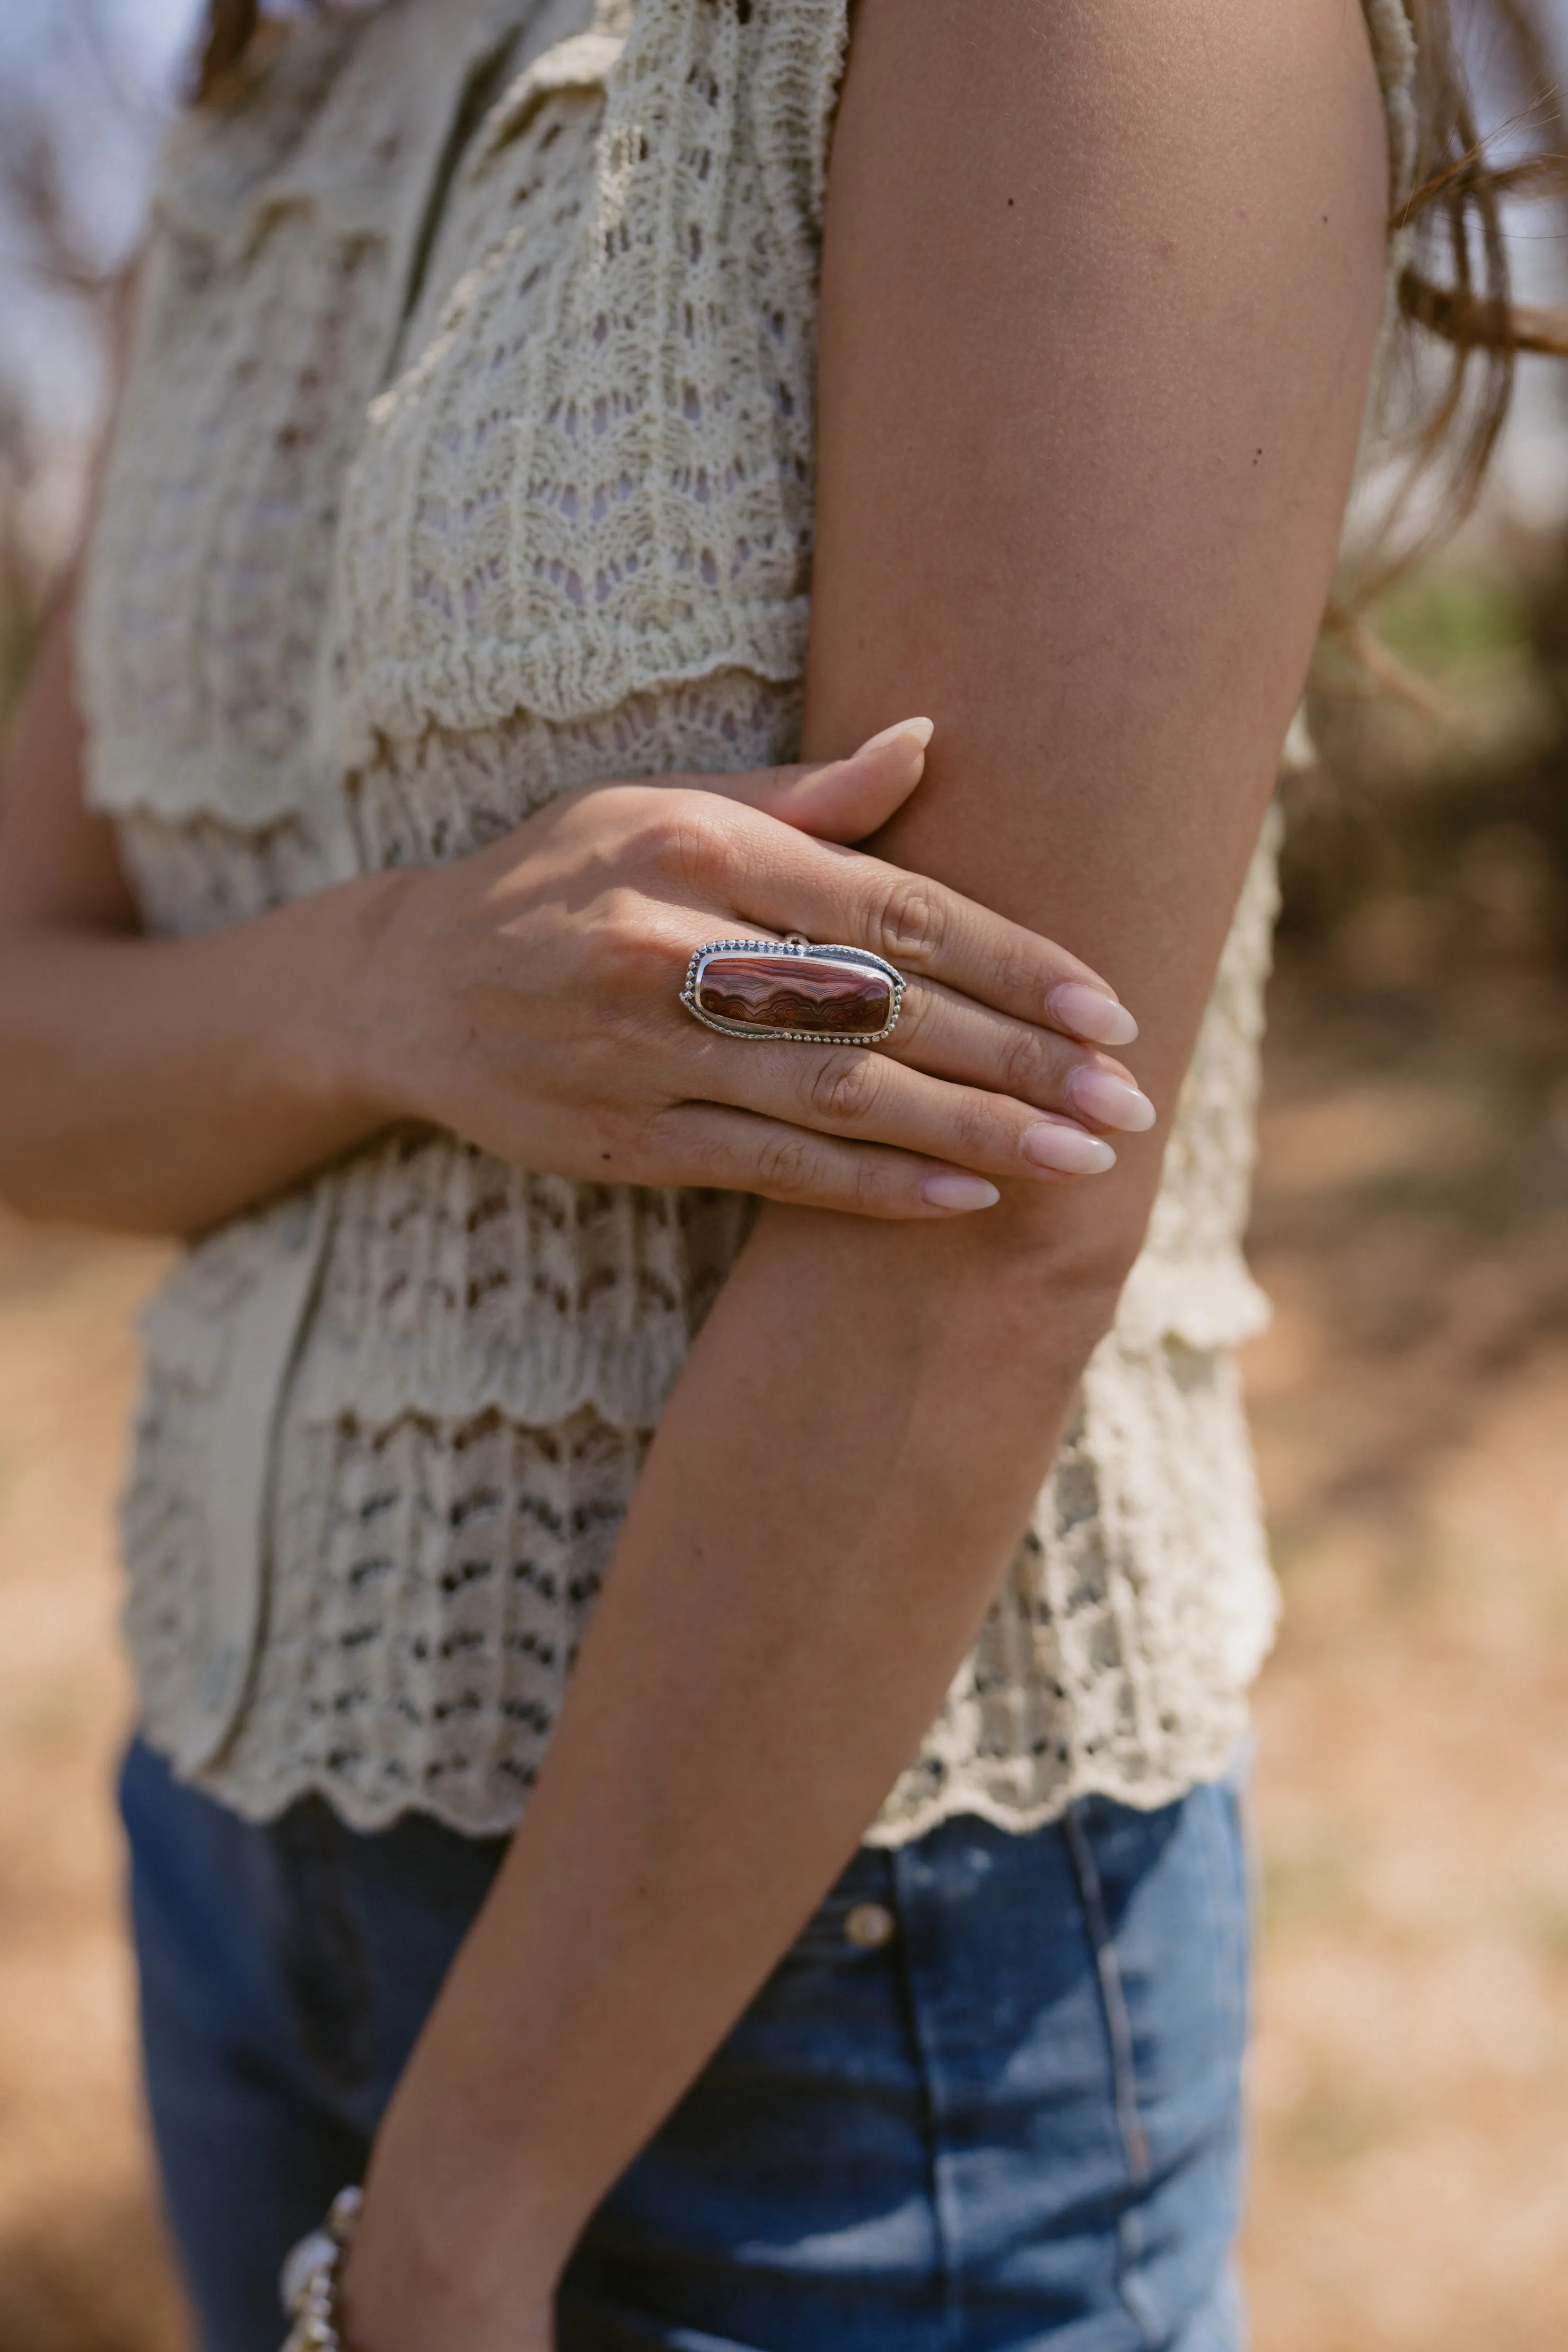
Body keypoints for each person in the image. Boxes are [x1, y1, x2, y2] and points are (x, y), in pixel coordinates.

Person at [0, 1, 1524, 2346]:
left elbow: (998, 1202)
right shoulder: (287, 78)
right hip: (232, 1860)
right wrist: (388, 983)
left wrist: (459, 2211)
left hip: (837, 1981)